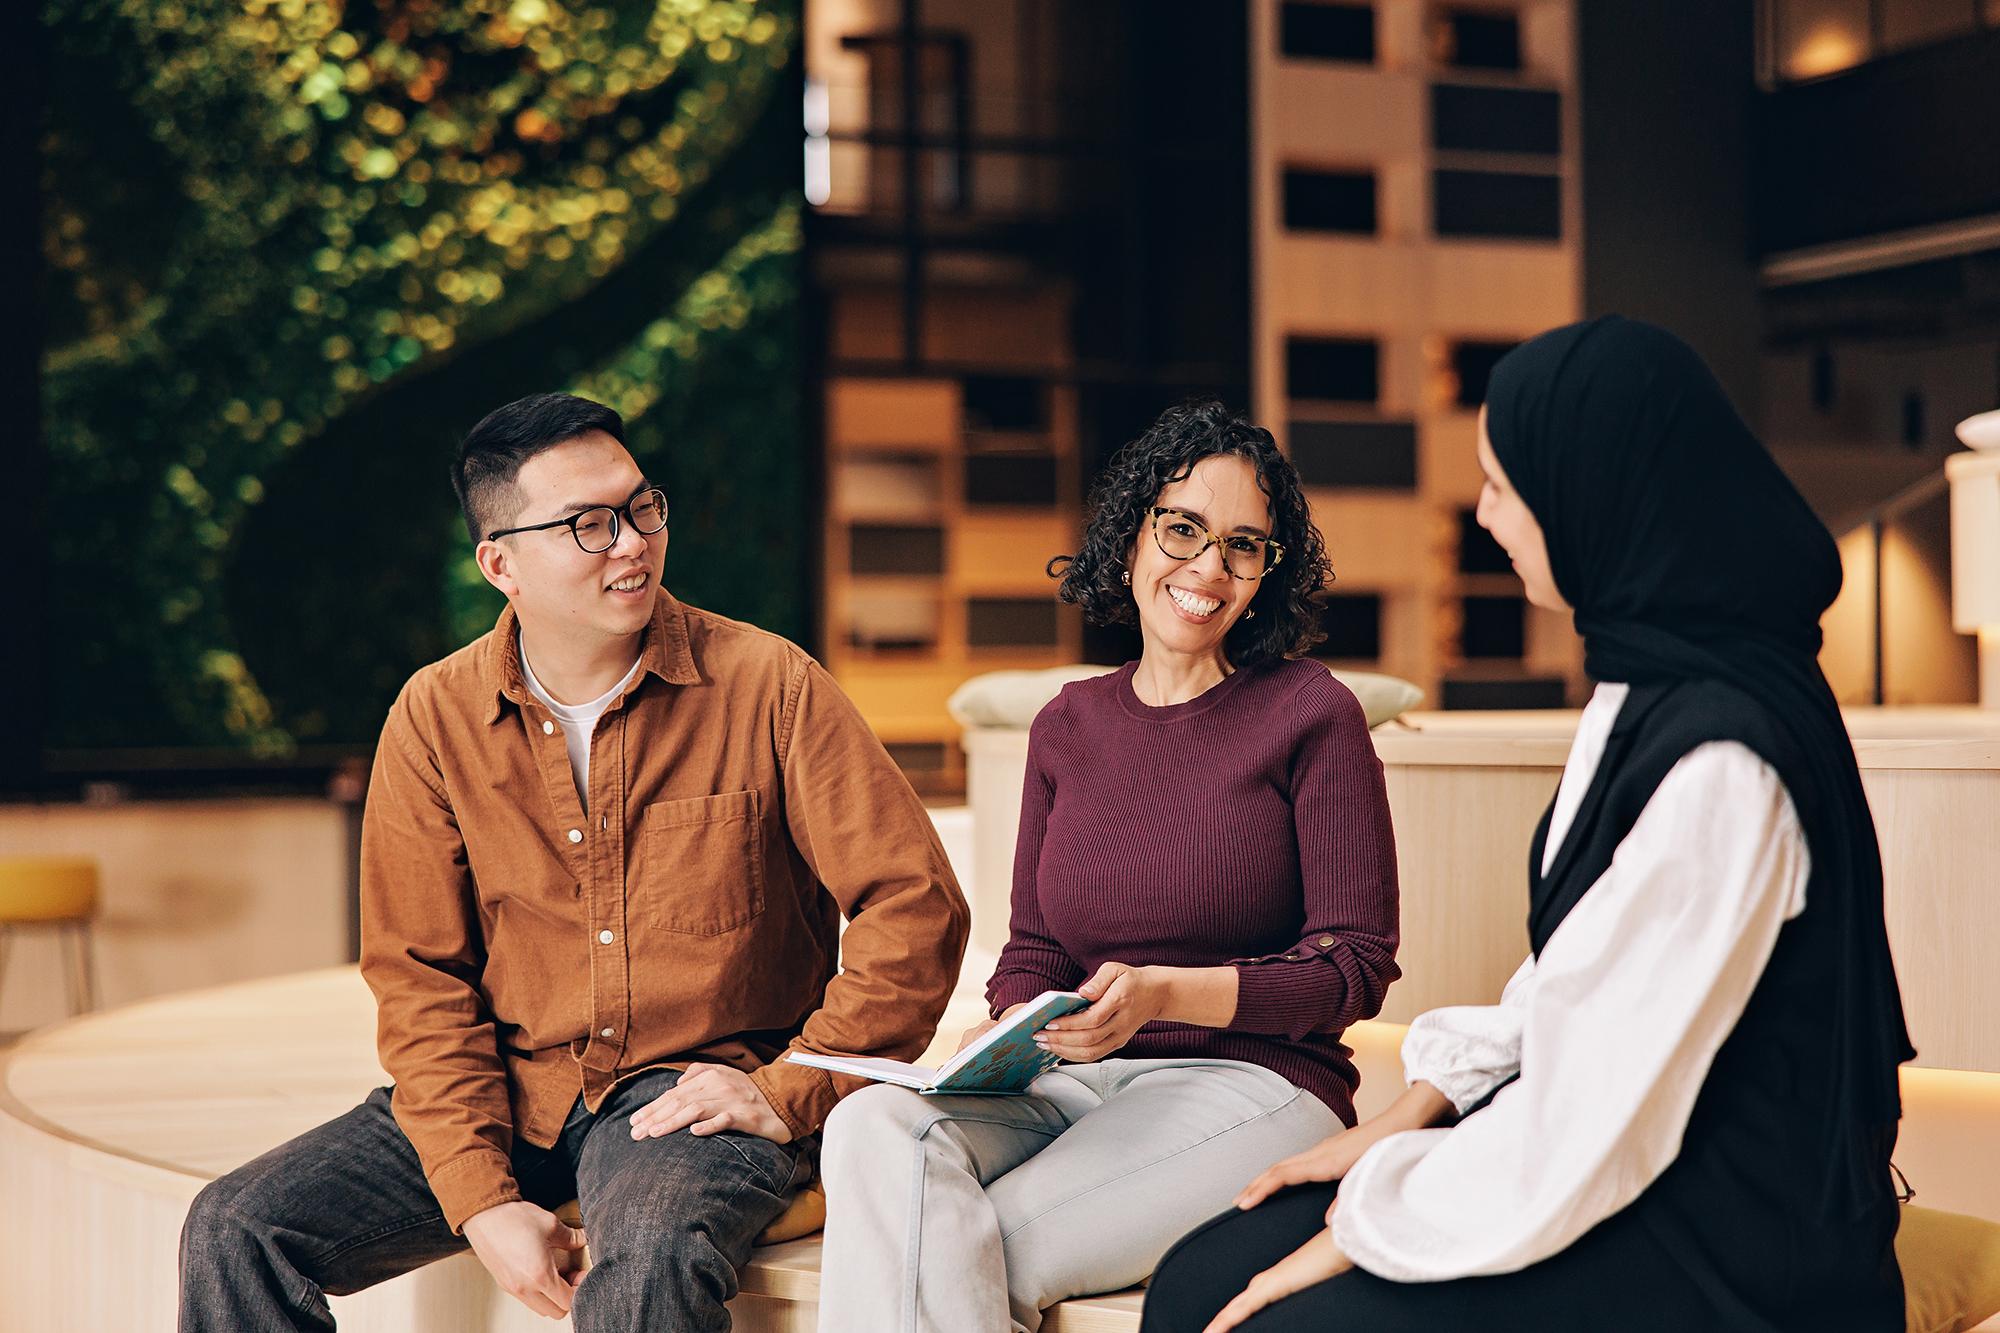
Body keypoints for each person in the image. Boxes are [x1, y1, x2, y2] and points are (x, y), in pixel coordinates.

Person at [1142, 317, 1912, 1333]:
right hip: (1627, 1154)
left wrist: (1366, 1222)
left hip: (1730, 1233)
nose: (1486, 516)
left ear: (1589, 497)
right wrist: (1418, 1108)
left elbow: (1590, 1116)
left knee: (1276, 1322)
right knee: (1200, 1275)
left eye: (1505, 486)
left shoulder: (1724, 756)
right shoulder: (1647, 676)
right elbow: (1574, 990)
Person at [177, 392, 970, 1332]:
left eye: (641, 508)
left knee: (646, 1260)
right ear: (499, 563)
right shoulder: (434, 719)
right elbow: (421, 976)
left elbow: (916, 908)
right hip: (514, 1082)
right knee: (233, 1228)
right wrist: (479, 1197)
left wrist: (790, 1086)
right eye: (587, 525)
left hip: (696, 1093)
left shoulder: (770, 684)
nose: (631, 542)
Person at [814, 398, 1402, 1333]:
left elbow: (1352, 966)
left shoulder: (1309, 713)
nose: (1209, 567)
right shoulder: (1067, 725)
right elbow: (1037, 946)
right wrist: (1009, 1026)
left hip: (1252, 1086)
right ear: (1131, 537)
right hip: (1068, 1081)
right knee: (870, 1127)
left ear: (1264, 574)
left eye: (1244, 546)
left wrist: (1164, 993)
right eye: (1183, 529)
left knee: (960, 1238)